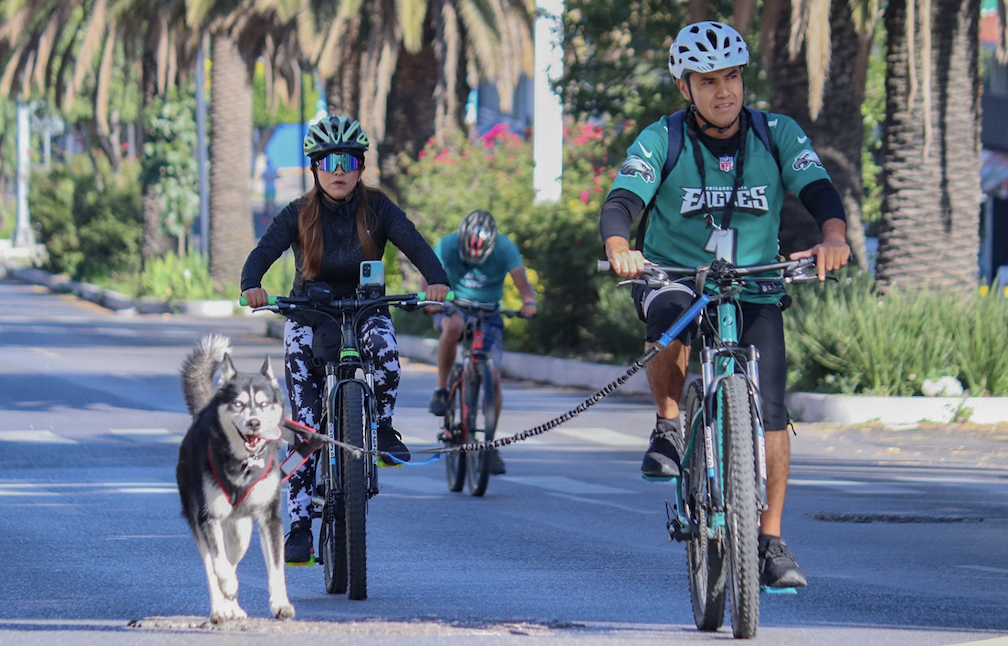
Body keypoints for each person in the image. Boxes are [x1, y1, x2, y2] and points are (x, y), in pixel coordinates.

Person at [599, 21, 851, 589]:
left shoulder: (776, 134)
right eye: (708, 80)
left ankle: (769, 542)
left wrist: (832, 236)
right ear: (684, 88)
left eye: (733, 77)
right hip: (676, 278)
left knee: (775, 412)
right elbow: (622, 201)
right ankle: (668, 425)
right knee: (666, 321)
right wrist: (620, 247)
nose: (724, 91)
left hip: (754, 283)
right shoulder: (661, 139)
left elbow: (820, 192)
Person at [241, 114, 450, 562]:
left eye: (349, 160)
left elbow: (415, 245)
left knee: (388, 355)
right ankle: (299, 527)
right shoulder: (298, 212)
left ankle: (382, 428)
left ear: (361, 166)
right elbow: (261, 253)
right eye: (329, 160)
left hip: (366, 309)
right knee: (306, 427)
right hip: (308, 315)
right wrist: (251, 284)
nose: (339, 169)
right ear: (315, 167)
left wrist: (437, 280)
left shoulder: (379, 209)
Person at [421, 209, 538, 475]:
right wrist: (431, 302)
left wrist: (529, 302)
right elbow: (427, 276)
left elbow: (523, 284)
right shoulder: (448, 244)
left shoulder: (505, 247)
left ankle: (489, 443)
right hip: (454, 305)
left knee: (494, 377)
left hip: (488, 311)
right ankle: (442, 389)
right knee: (453, 325)